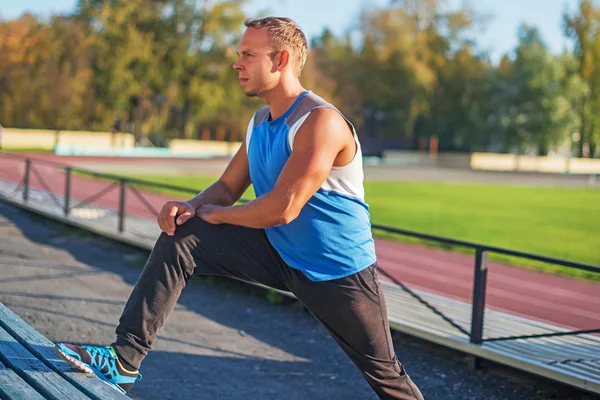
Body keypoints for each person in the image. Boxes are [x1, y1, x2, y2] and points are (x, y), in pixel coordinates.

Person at [54, 17, 424, 400]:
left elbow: (283, 207)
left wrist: (219, 215)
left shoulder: (320, 121)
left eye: (248, 55)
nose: (237, 64)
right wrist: (192, 205)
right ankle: (124, 360)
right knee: (182, 237)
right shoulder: (260, 121)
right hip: (277, 253)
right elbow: (228, 187)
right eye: (238, 55)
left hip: (337, 272)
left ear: (280, 60)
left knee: (387, 377)